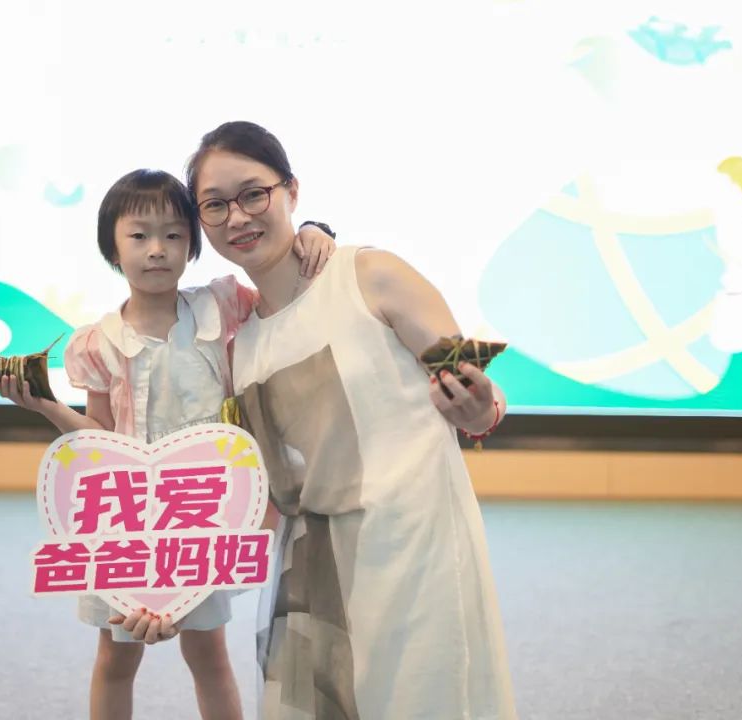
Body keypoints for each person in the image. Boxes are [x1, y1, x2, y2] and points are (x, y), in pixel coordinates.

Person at [182, 121, 518, 719]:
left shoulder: (370, 276)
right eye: (215, 205)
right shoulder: (242, 345)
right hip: (311, 583)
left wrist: (479, 409)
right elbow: (262, 495)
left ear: (291, 191)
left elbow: (476, 392)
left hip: (414, 555)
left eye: (254, 194)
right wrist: (170, 587)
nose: (238, 217)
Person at [0, 168, 335, 720]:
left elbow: (287, 291)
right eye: (139, 236)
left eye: (174, 235)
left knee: (208, 653)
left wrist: (314, 231)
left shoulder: (221, 307)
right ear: (112, 248)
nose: (157, 249)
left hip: (199, 515)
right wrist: (46, 407)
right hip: (125, 521)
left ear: (193, 246)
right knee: (115, 655)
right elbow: (99, 439)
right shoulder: (97, 343)